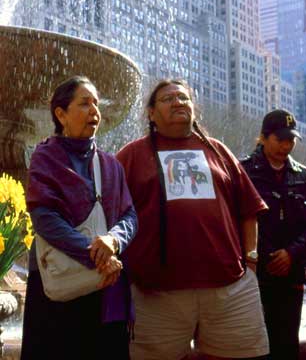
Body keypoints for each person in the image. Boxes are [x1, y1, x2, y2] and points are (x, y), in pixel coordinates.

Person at [116, 79, 269, 360]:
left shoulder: (218, 151)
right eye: (167, 99)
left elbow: (249, 209)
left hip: (229, 288)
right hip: (156, 294)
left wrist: (251, 262)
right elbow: (113, 213)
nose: (178, 102)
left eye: (183, 97)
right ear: (150, 113)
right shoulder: (132, 154)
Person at [21, 76, 137, 360]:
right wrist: (95, 255)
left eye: (96, 103)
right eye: (84, 103)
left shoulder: (111, 165)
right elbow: (44, 217)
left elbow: (129, 215)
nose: (94, 110)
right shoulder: (45, 157)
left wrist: (113, 240)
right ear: (60, 114)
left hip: (106, 283)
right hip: (59, 285)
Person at [240, 109, 306, 360]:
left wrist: (292, 252)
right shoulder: (244, 171)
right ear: (264, 138)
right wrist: (265, 254)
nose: (286, 146)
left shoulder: (302, 175)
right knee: (255, 341)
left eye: (291, 140)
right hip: (256, 273)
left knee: (287, 342)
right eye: (280, 139)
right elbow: (238, 219)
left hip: (292, 273)